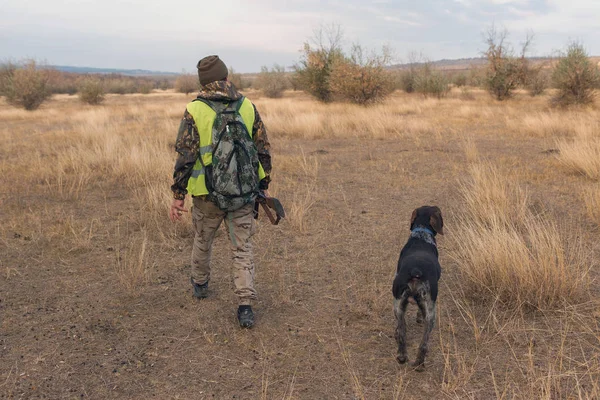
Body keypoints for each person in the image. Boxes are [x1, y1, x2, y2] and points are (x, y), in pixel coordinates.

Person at [169, 55, 272, 328]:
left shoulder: (195, 109)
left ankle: (200, 285)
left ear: (203, 83)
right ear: (226, 77)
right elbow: (263, 148)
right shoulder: (247, 105)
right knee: (243, 248)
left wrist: (178, 195)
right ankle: (245, 307)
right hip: (243, 193)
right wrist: (263, 185)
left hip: (206, 195)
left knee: (203, 241)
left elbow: (185, 156)